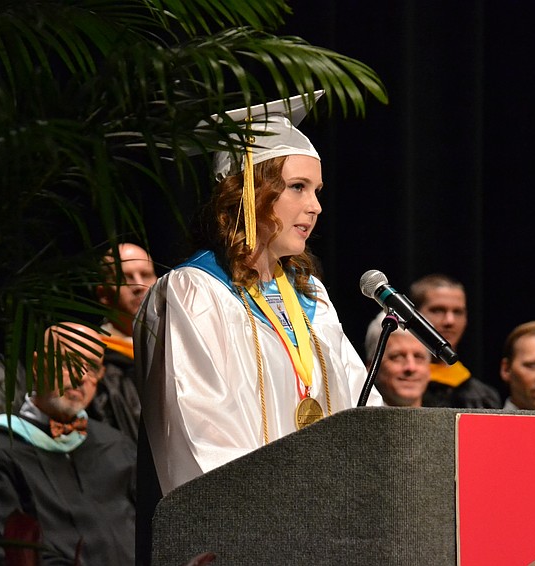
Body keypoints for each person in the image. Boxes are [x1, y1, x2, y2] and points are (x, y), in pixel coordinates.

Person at [134, 91, 381, 495]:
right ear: (248, 194)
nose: (315, 206)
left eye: (317, 190)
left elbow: (360, 405)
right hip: (253, 528)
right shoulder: (195, 293)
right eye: (298, 187)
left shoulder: (310, 296)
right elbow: (203, 440)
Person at [0, 322, 136, 565]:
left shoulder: (117, 444)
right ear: (36, 366)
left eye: (92, 367)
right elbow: (11, 554)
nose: (80, 376)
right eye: (69, 362)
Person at [88, 242, 157, 441]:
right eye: (125, 278)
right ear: (103, 293)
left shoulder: (175, 345)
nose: (138, 285)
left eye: (145, 275)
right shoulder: (96, 358)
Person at [407, 274, 501, 408]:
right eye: (438, 310)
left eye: (458, 312)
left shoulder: (483, 397)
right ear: (414, 315)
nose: (449, 321)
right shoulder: (397, 386)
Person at [364, 312, 431, 407]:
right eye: (397, 357)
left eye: (418, 357)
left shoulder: (449, 419)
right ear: (371, 367)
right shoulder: (353, 420)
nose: (411, 367)